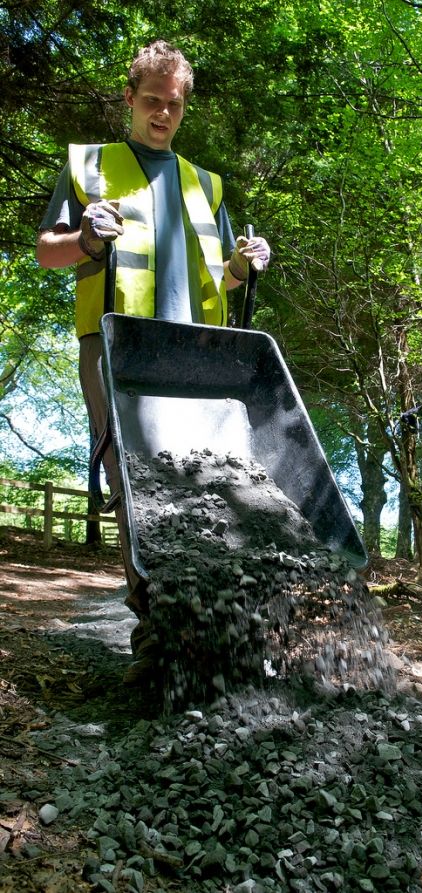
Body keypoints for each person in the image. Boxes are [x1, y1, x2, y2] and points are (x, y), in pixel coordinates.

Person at [36, 39, 271, 680]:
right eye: (151, 101)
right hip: (115, 346)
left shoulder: (206, 185)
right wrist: (86, 238)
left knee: (206, 487)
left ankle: (216, 633)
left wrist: (244, 264)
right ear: (130, 99)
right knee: (136, 488)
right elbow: (48, 252)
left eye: (174, 105)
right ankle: (158, 635)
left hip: (195, 356)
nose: (163, 114)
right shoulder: (91, 166)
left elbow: (224, 279)